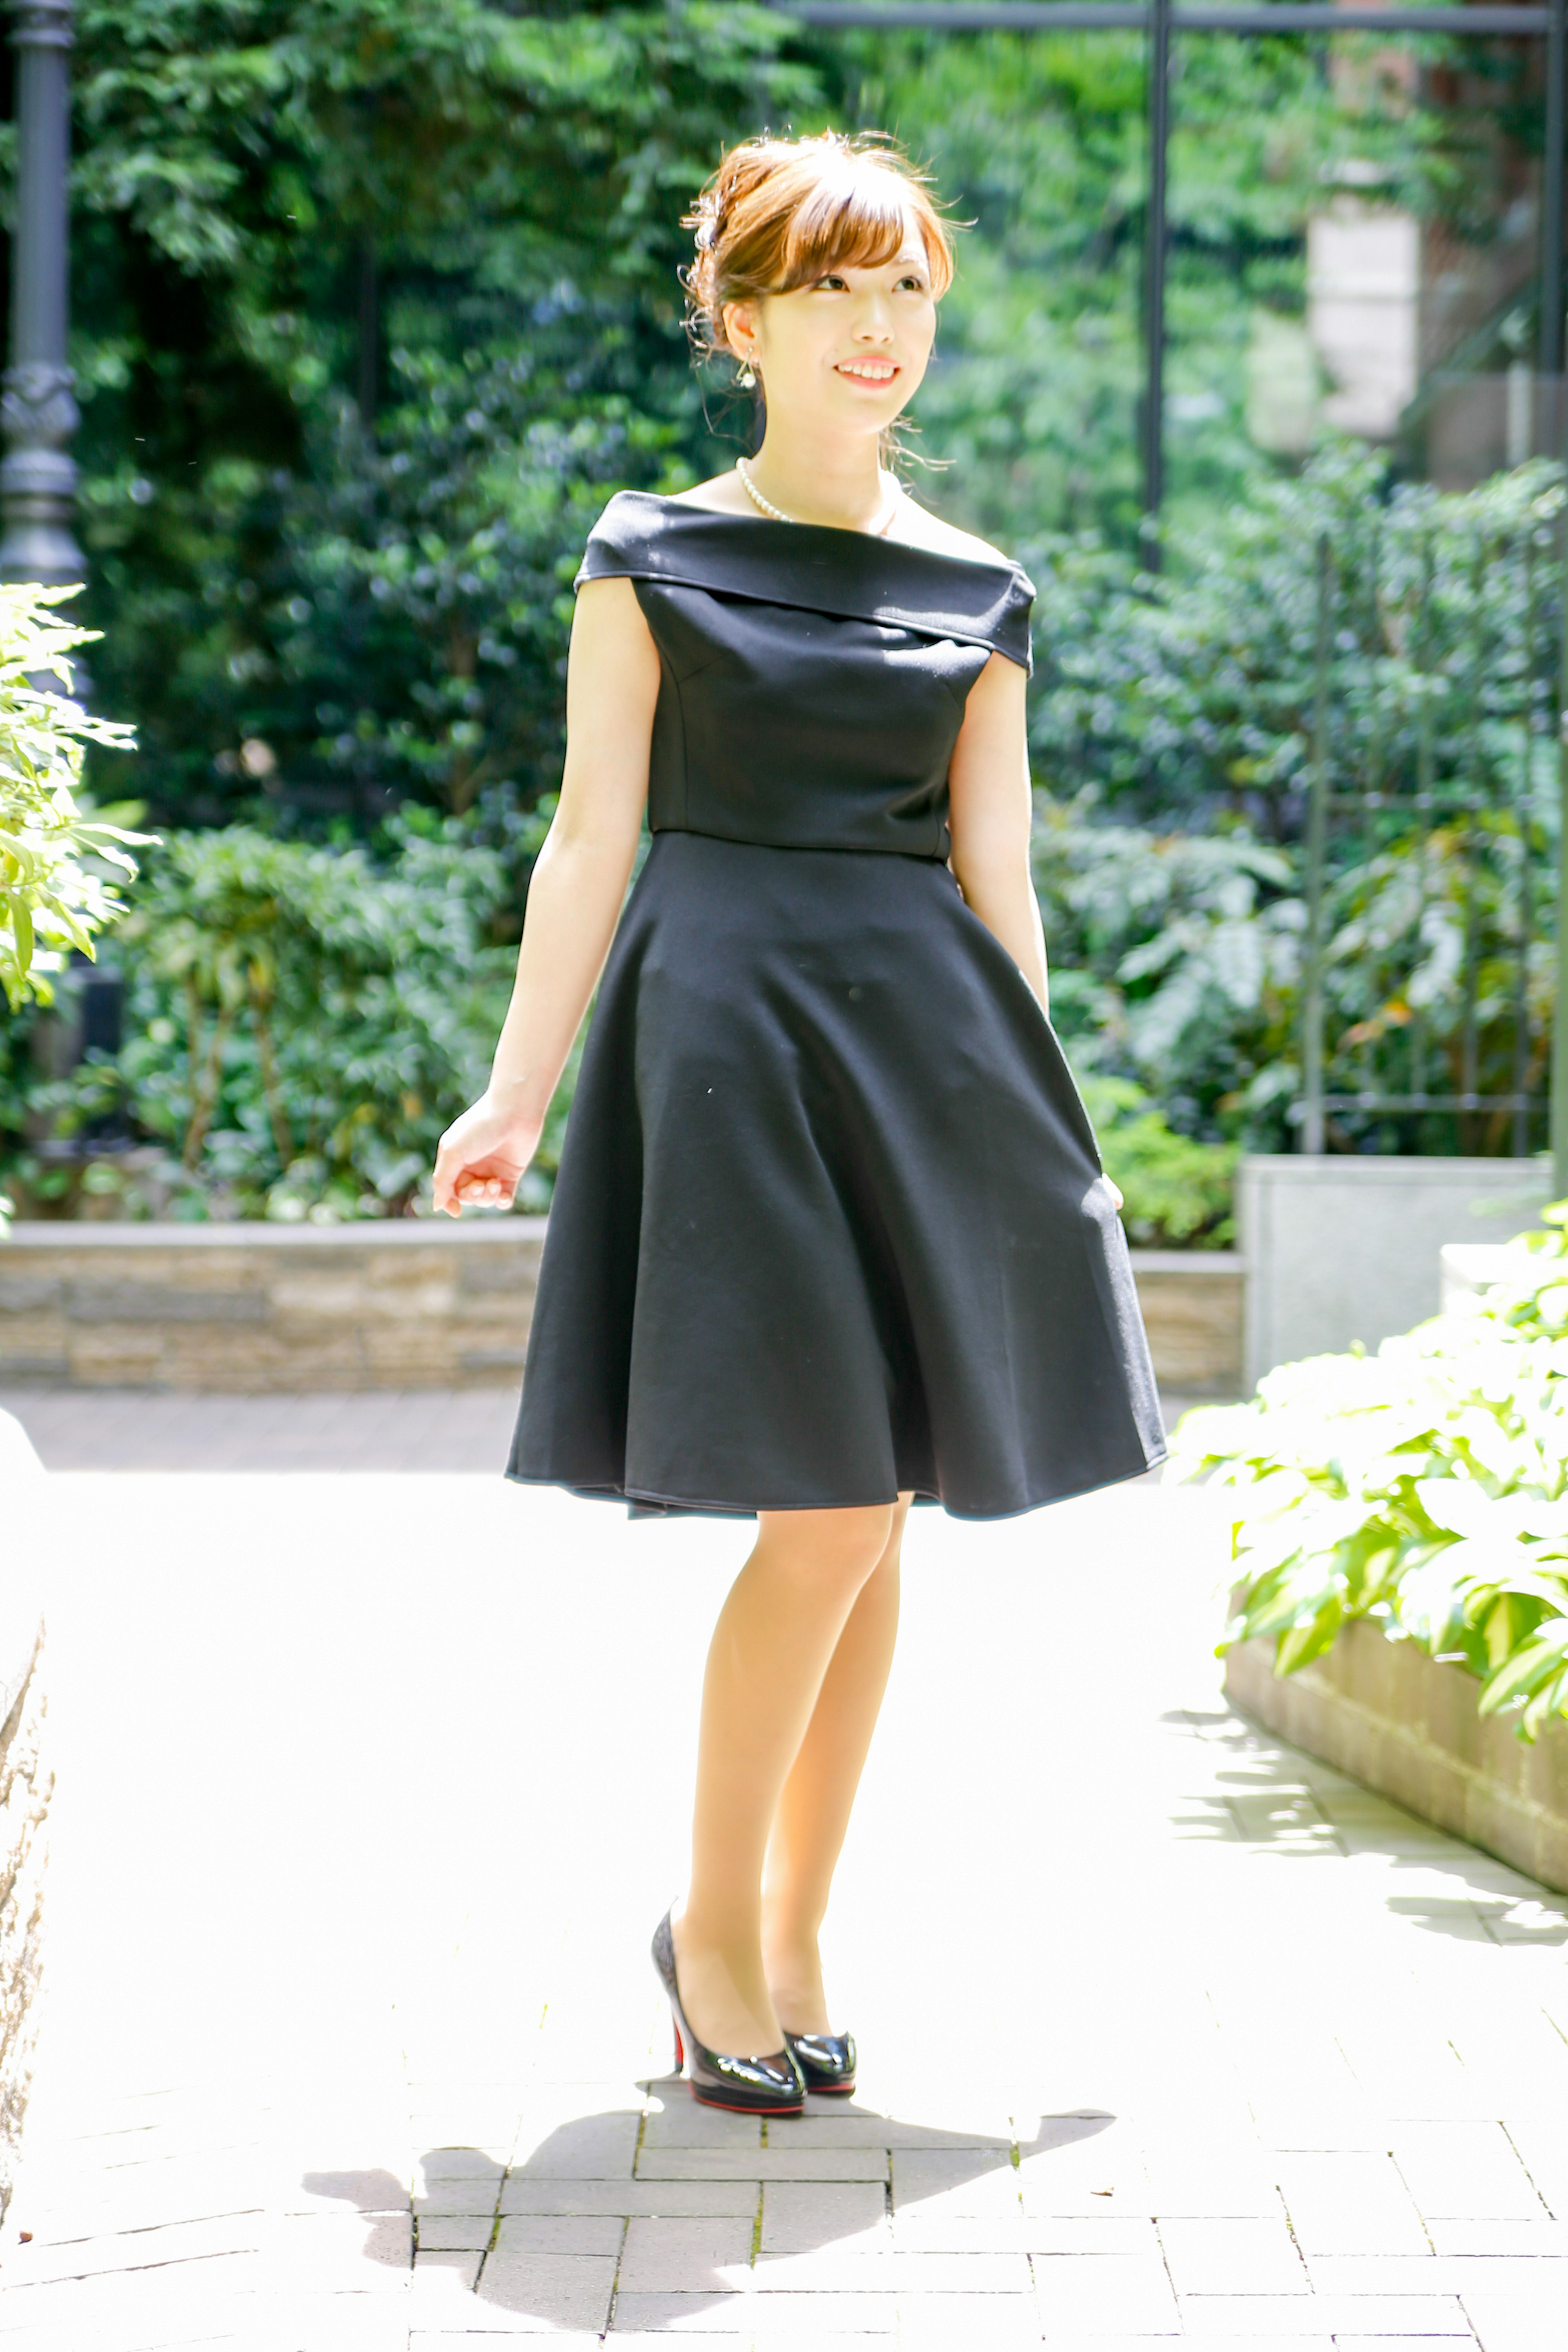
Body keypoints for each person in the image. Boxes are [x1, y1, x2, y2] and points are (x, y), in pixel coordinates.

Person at [432, 131, 1164, 2116]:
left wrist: (1052, 1136)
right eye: (837, 290)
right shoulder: (649, 547)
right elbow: (589, 837)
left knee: (883, 1508)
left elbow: (1000, 890)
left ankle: (797, 1930)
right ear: (743, 319)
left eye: (909, 286)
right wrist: (519, 1087)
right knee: (828, 1505)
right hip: (725, 1041)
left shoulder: (981, 585)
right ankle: (710, 1931)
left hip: (922, 1054)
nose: (881, 327)